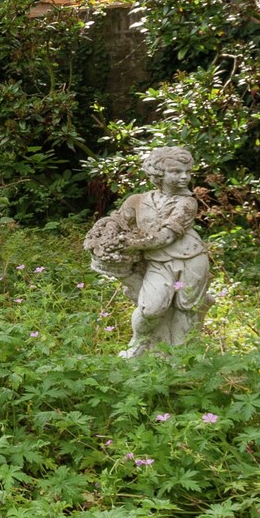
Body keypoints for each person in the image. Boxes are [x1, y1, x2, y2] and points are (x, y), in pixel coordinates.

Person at [86, 146, 211, 359]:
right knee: (151, 308)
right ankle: (139, 344)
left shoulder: (187, 202)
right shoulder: (137, 200)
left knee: (185, 308)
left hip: (191, 259)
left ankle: (179, 357)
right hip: (157, 261)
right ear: (159, 173)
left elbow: (166, 237)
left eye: (188, 172)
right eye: (176, 171)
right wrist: (107, 233)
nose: (184, 177)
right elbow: (118, 220)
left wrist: (129, 243)